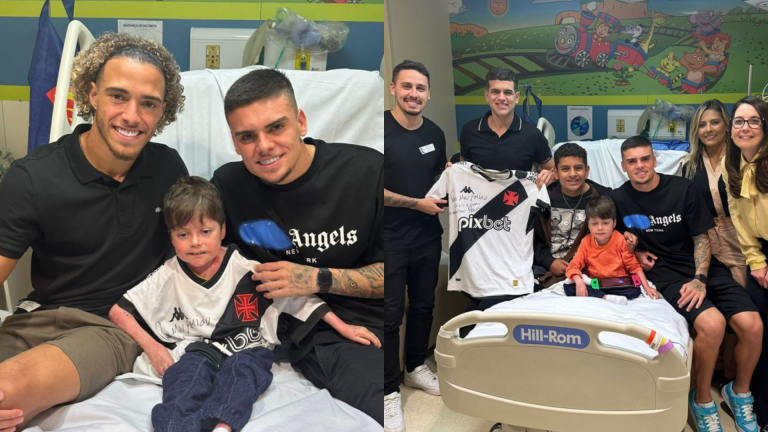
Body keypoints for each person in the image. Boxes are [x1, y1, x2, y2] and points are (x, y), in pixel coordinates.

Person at [0, 32, 188, 430]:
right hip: (35, 318)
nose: (132, 116)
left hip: (109, 327)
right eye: (118, 96)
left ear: (163, 112)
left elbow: (196, 253)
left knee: (6, 392)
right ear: (93, 94)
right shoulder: (33, 177)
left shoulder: (169, 169)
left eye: (148, 104)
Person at [108, 176, 380, 432]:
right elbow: (118, 311)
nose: (195, 243)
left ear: (222, 229)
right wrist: (154, 349)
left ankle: (223, 427)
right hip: (198, 351)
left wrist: (344, 327)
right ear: (171, 236)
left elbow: (300, 299)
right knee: (184, 380)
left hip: (248, 349)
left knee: (242, 375)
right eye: (183, 235)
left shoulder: (249, 270)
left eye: (205, 231)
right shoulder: (167, 274)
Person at [210, 69, 384, 425]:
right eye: (247, 136)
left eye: (276, 127)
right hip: (302, 330)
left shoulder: (368, 173)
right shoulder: (227, 186)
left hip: (364, 322)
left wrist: (316, 278)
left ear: (301, 121)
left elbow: (394, 275)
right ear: (234, 141)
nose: (264, 147)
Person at [611, 135, 762, 432]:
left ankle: (739, 392)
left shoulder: (683, 189)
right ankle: (702, 398)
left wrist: (700, 279)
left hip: (703, 268)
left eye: (645, 159)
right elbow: (614, 241)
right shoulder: (618, 199)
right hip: (664, 274)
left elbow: (701, 238)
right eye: (632, 161)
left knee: (753, 325)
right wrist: (635, 250)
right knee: (713, 324)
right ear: (623, 166)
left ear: (655, 160)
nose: (640, 166)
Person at [383, 60, 445, 432]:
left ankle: (415, 367)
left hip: (427, 237)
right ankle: (389, 392)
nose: (413, 94)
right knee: (390, 316)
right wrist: (415, 203)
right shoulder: (380, 129)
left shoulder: (435, 133)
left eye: (420, 88)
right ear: (393, 88)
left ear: (428, 94)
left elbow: (436, 179)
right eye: (407, 87)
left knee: (424, 306)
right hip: (389, 239)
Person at [722, 96, 768, 428]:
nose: (745, 127)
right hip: (759, 254)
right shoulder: (733, 165)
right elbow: (738, 217)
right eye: (739, 121)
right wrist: (756, 261)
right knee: (757, 331)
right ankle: (756, 402)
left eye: (753, 121)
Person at [683, 100, 747, 287]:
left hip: (740, 239)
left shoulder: (742, 159)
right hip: (705, 241)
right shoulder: (689, 165)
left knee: (746, 299)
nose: (708, 129)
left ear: (727, 125)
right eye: (702, 125)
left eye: (715, 122)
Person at [458, 67, 555, 188]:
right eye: (495, 92)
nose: (502, 98)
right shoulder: (470, 130)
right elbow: (464, 170)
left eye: (508, 92)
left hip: (518, 203)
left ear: (517, 97)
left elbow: (555, 171)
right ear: (487, 95)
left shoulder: (533, 135)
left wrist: (549, 175)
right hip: (478, 203)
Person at [533, 143, 612, 287]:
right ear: (555, 173)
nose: (572, 174)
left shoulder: (603, 197)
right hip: (546, 270)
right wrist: (549, 262)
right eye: (565, 169)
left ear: (587, 171)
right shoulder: (543, 197)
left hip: (586, 272)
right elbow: (531, 239)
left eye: (578, 168)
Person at [563, 195, 659, 304]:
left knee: (635, 290)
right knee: (568, 286)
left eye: (605, 223)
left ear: (614, 223)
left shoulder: (620, 240)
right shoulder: (586, 242)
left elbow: (634, 266)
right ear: (588, 225)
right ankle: (605, 297)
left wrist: (647, 287)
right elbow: (574, 265)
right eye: (594, 224)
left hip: (618, 283)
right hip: (595, 283)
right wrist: (579, 280)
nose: (600, 228)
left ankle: (600, 296)